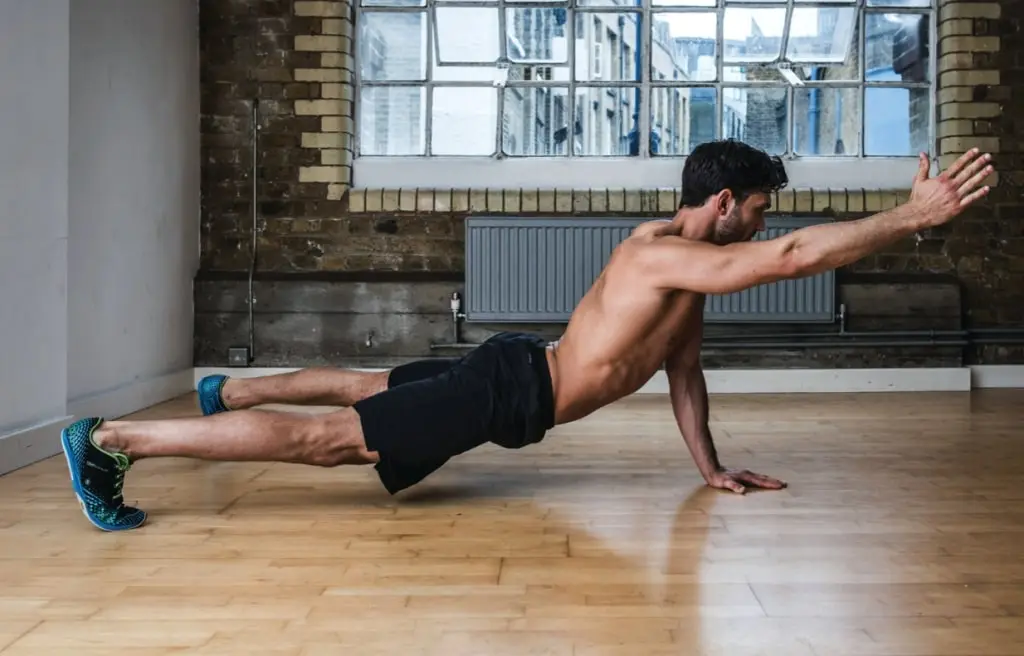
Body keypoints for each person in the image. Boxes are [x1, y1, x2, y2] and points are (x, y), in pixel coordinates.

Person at [59, 140, 994, 531]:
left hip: (519, 373)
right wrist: (910, 218)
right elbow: (792, 260)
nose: (760, 221)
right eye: (756, 208)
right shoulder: (662, 254)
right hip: (514, 389)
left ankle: (232, 390)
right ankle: (110, 441)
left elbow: (684, 374)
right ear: (723, 203)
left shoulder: (686, 277)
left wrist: (708, 466)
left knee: (372, 387)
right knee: (333, 442)